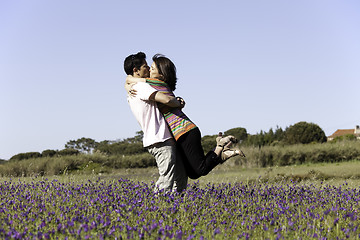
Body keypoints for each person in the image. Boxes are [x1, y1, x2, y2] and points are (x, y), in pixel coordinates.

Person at [126, 54, 245, 179]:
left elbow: (133, 80)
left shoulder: (156, 83)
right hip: (182, 132)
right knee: (193, 173)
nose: (149, 70)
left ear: (161, 75)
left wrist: (128, 84)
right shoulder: (159, 85)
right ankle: (221, 154)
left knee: (200, 169)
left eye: (152, 68)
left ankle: (220, 146)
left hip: (184, 131)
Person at [123, 52, 187, 192]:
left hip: (161, 137)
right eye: (145, 66)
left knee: (179, 177)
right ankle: (156, 206)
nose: (148, 69)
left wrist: (127, 82)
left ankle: (175, 207)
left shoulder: (133, 87)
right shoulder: (141, 87)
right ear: (136, 70)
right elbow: (167, 100)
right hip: (159, 138)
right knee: (167, 179)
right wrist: (179, 103)